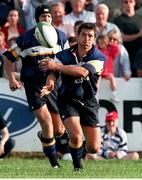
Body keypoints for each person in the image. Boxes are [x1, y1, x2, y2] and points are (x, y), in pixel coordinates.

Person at [3, 4, 69, 168]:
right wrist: (11, 78)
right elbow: (8, 58)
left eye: (48, 16)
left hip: (54, 86)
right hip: (34, 86)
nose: (46, 19)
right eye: (42, 17)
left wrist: (56, 77)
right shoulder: (25, 38)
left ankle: (45, 138)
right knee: (46, 122)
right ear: (36, 19)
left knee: (59, 130)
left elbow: (66, 61)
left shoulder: (61, 37)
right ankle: (54, 164)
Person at [39, 22, 106, 171]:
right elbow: (52, 72)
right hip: (67, 99)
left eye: (90, 36)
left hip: (88, 101)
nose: (86, 38)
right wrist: (50, 83)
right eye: (84, 34)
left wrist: (56, 66)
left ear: (94, 38)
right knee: (76, 136)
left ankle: (78, 154)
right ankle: (77, 167)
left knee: (94, 147)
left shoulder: (99, 57)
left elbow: (82, 72)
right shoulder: (63, 55)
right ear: (77, 35)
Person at [114, 0, 142, 77]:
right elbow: (122, 37)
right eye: (126, 2)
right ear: (123, 4)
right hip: (126, 55)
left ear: (134, 3)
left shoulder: (140, 19)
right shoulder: (118, 20)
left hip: (139, 56)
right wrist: (138, 35)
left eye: (131, 1)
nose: (128, 4)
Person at [97, 34, 120, 102]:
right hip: (99, 71)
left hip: (108, 72)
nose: (102, 44)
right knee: (96, 81)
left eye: (103, 42)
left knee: (112, 79)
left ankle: (114, 95)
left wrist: (111, 44)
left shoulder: (111, 51)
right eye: (100, 43)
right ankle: (95, 96)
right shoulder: (97, 51)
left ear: (107, 42)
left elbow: (117, 50)